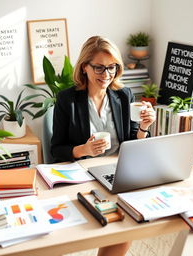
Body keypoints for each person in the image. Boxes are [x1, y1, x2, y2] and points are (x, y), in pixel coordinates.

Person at [51, 36, 156, 256]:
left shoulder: (123, 95)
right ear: (84, 68)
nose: (106, 75)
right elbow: (56, 149)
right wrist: (84, 150)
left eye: (111, 67)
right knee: (103, 223)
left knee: (132, 221)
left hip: (119, 170)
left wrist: (144, 127)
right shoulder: (67, 100)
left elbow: (131, 143)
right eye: (99, 68)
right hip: (83, 174)